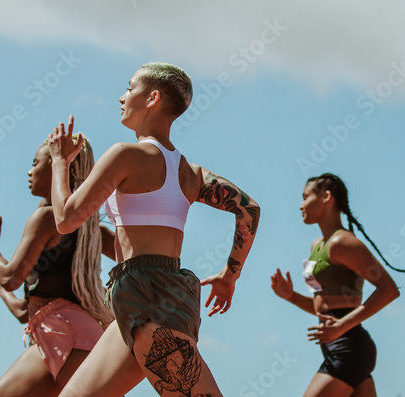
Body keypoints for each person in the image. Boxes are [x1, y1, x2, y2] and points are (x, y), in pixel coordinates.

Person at [47, 62, 261, 397]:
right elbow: (248, 210)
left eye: (130, 88)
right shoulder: (191, 173)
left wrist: (60, 163)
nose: (122, 96)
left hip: (148, 299)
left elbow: (66, 218)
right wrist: (229, 275)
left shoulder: (125, 155)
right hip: (139, 302)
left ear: (153, 98)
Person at [0, 137, 117, 397]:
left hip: (63, 334)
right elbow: (23, 311)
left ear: (57, 168)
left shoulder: (45, 219)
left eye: (35, 163)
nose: (30, 171)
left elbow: (10, 278)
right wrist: (0, 290)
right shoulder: (91, 231)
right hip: (79, 336)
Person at [270, 173, 405, 397]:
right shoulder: (316, 246)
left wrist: (340, 327)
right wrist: (290, 296)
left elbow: (389, 290)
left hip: (349, 349)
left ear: (326, 197)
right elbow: (323, 307)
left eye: (305, 196)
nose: (300, 205)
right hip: (338, 350)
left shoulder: (343, 242)